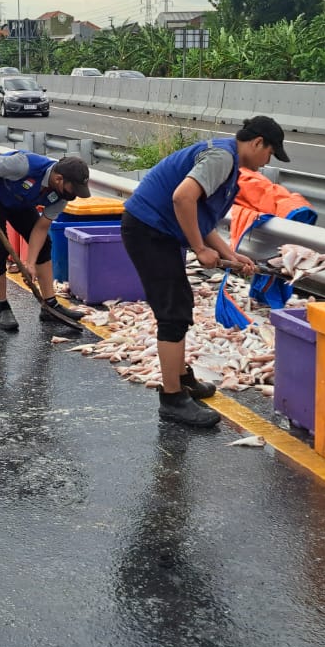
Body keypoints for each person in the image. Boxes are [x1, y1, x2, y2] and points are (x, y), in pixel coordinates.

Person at [120, 116, 290, 428]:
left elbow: (197, 216)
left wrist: (230, 254)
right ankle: (171, 399)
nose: (267, 162)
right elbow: (182, 197)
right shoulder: (222, 158)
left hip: (158, 231)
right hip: (148, 230)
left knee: (180, 304)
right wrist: (200, 249)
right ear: (257, 143)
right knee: (172, 312)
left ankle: (180, 376)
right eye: (270, 153)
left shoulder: (225, 158)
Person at [0, 151, 92, 332]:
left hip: (20, 203)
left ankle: (49, 305)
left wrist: (30, 263)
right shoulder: (24, 165)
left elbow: (41, 228)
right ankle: (3, 307)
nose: (74, 194)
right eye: (73, 188)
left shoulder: (62, 196)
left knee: (44, 245)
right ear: (59, 179)